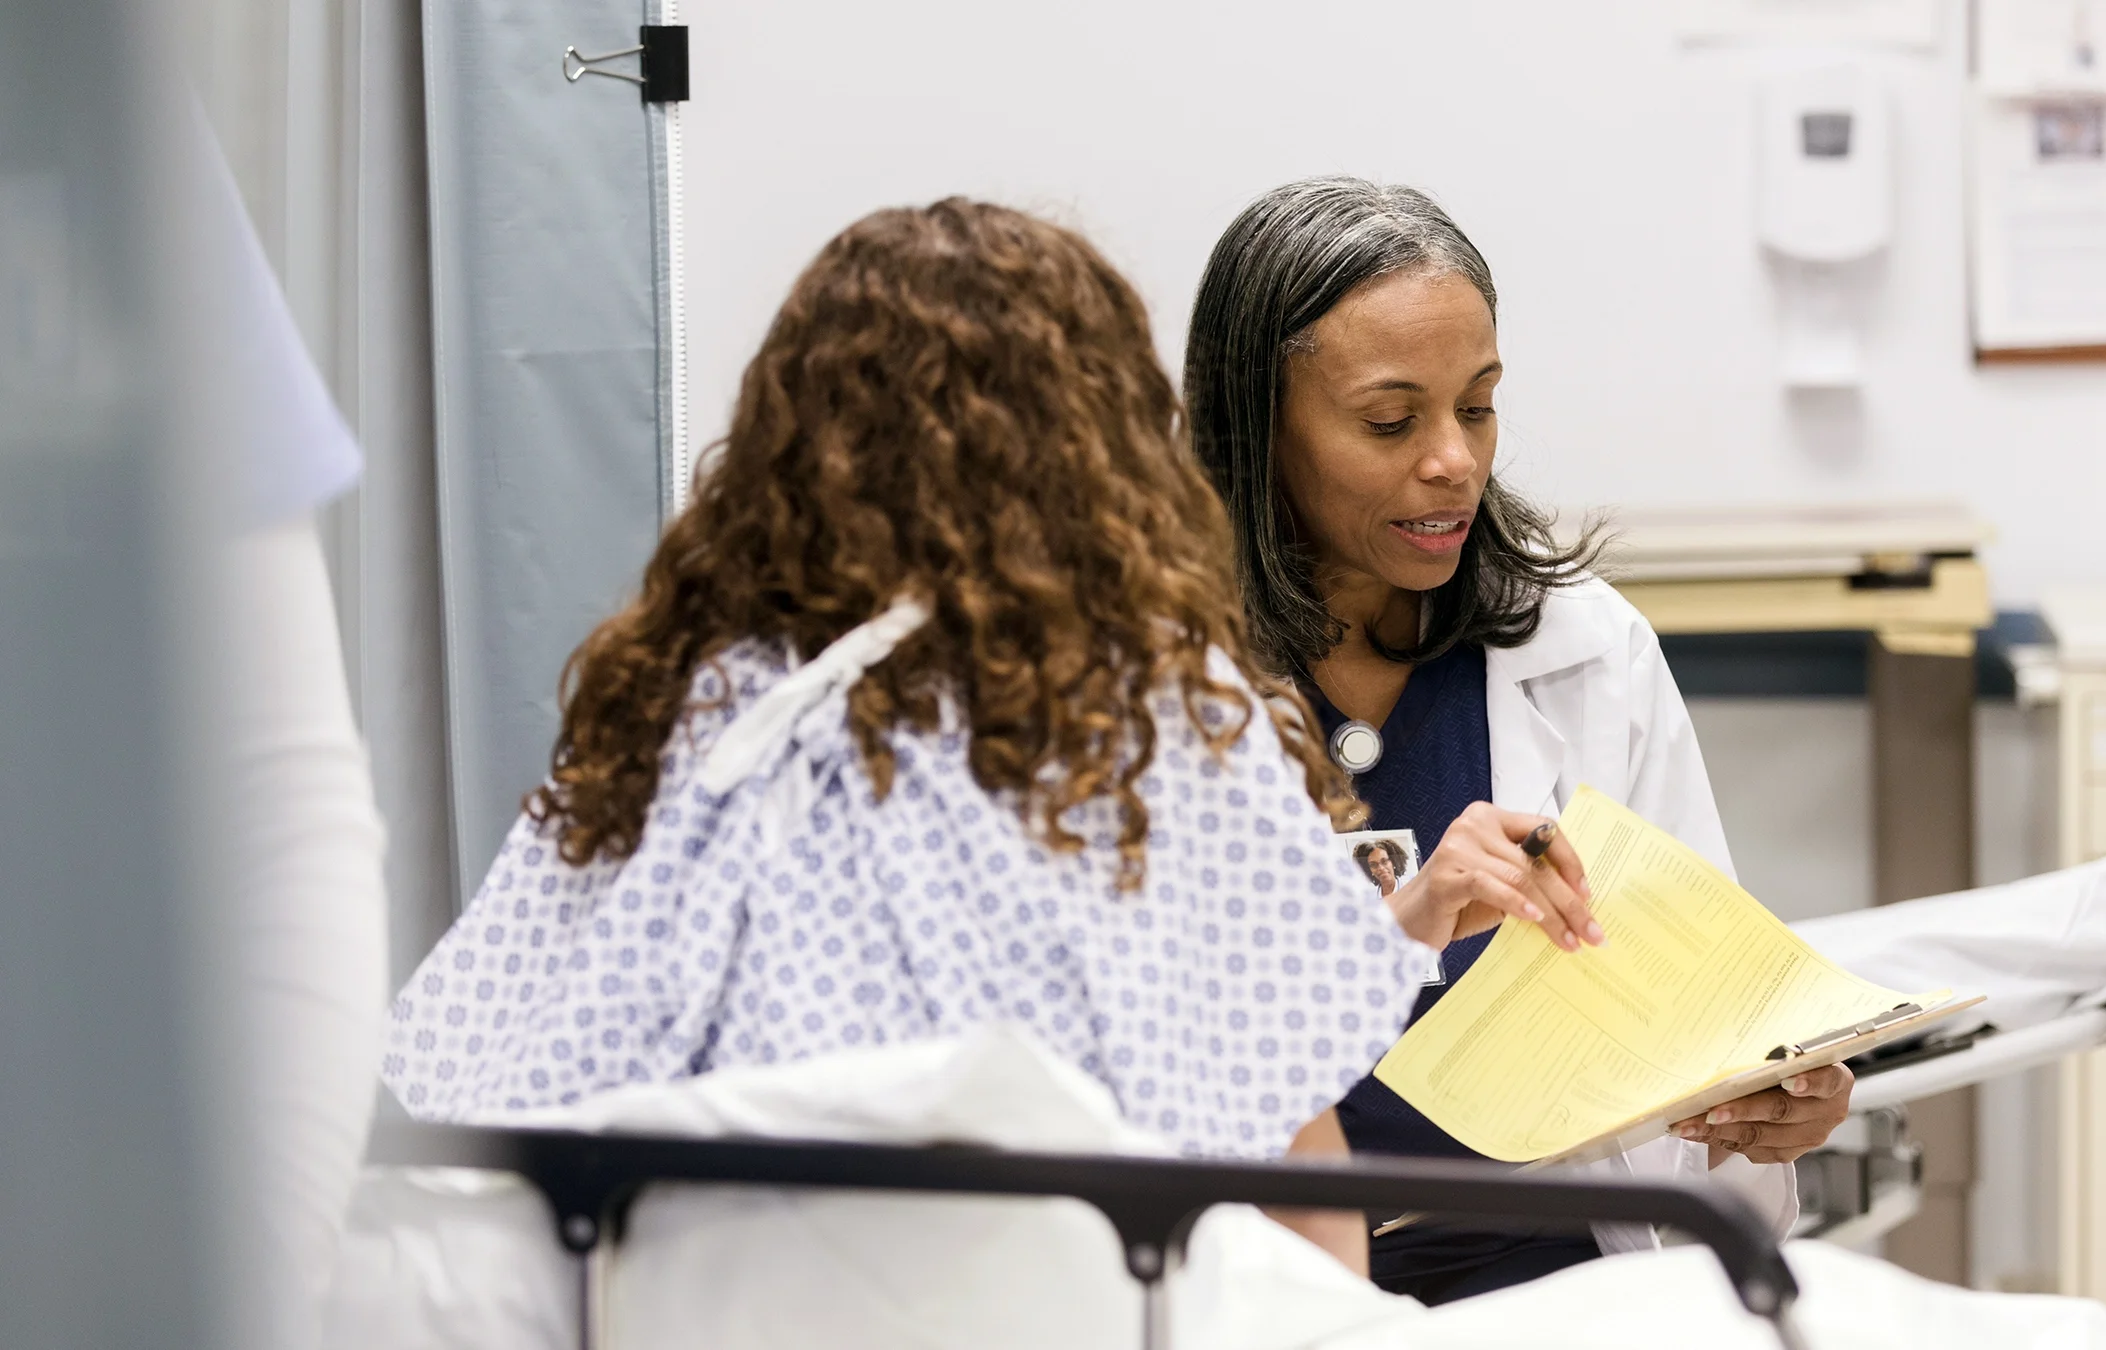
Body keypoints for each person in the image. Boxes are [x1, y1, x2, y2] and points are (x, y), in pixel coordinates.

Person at [380, 202, 1602, 1265]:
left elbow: (460, 1101)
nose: (1451, 462)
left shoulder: (682, 709)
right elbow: (1302, 1198)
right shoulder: (1149, 725)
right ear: (1106, 448)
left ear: (789, 441)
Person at [1183, 177, 1853, 1303]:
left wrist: (1767, 1100)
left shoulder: (1584, 648)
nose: (1453, 459)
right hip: (1270, 1279)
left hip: (1566, 1269)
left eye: (1478, 405)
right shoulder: (1156, 689)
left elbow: (1701, 993)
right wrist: (1403, 927)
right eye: (1391, 421)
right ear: (1258, 431)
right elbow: (1137, 1072)